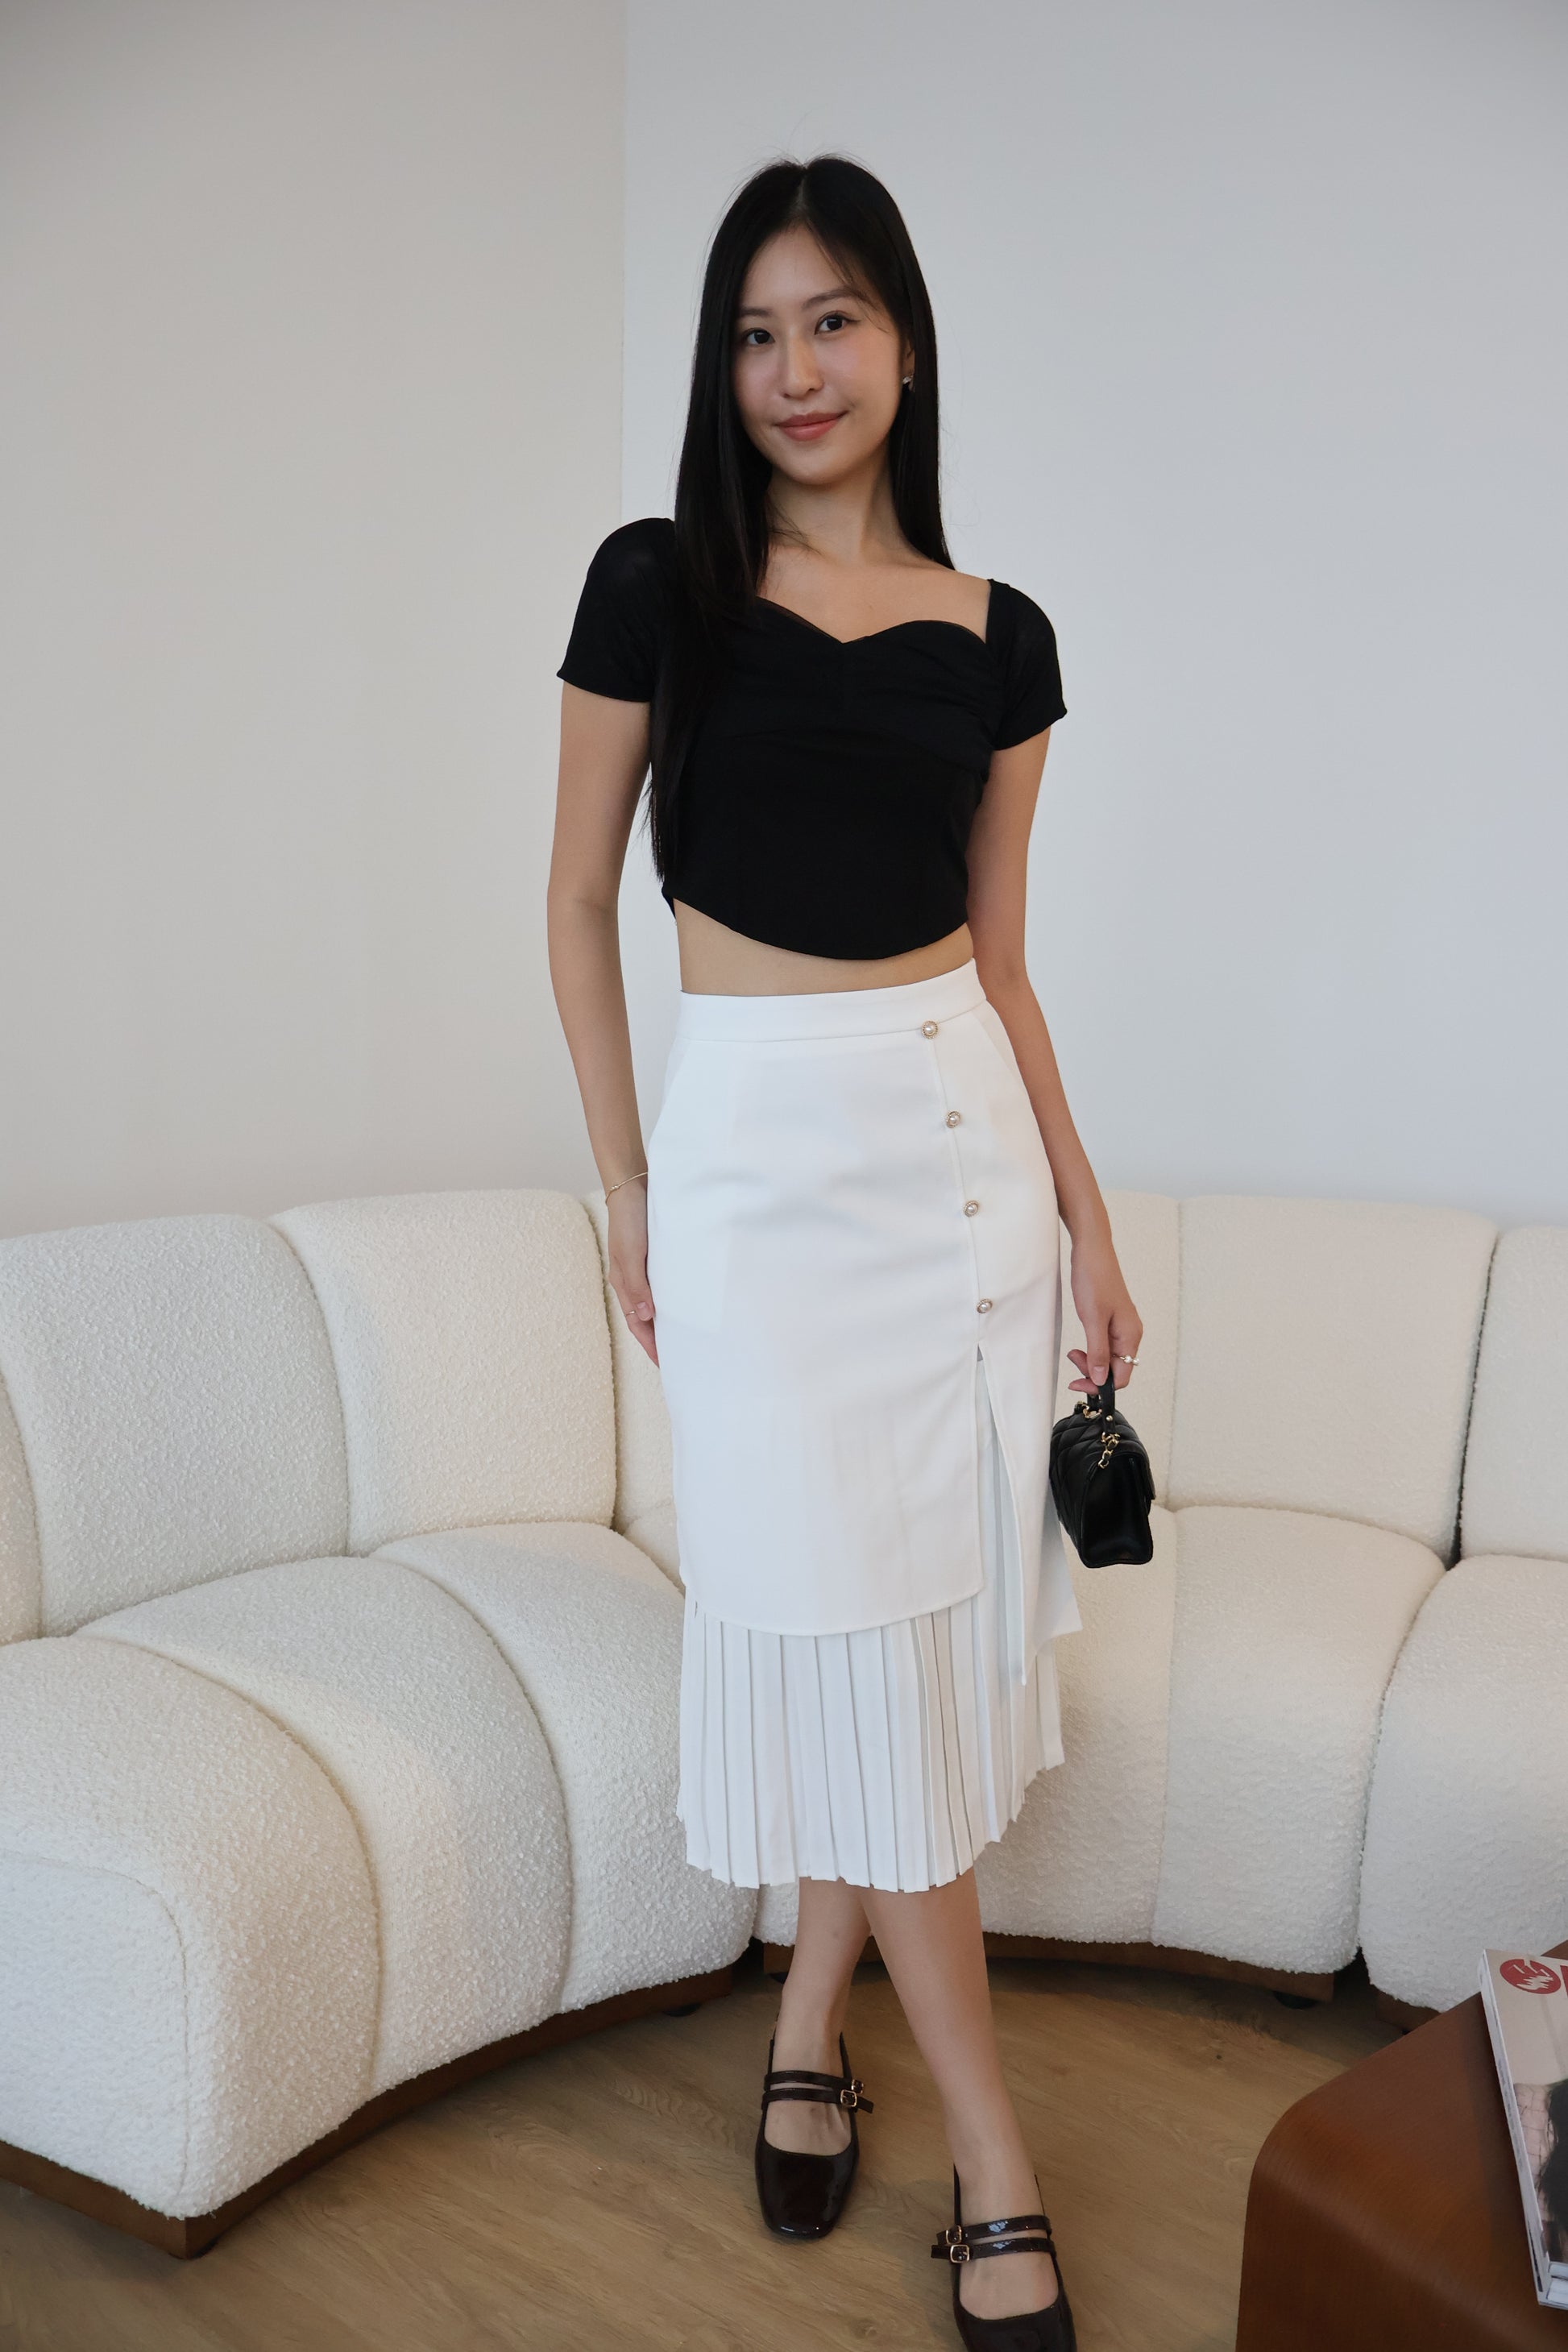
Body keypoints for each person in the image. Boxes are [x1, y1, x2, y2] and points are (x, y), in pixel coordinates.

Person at [548, 151, 1142, 2352]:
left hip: (959, 1176)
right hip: (755, 1175)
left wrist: (1085, 1214)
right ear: (723, 365)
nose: (796, 370)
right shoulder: (656, 588)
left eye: (834, 321)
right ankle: (997, 2161)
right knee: (839, 1635)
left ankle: (811, 2017)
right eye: (754, 331)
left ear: (902, 341)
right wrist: (628, 1181)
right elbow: (570, 903)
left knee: (903, 1659)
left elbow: (1003, 962)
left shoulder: (1002, 636)